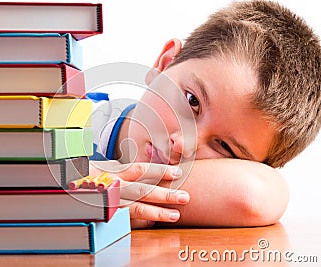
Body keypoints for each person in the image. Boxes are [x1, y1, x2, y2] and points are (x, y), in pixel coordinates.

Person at [88, 0, 321, 229]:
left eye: (224, 147)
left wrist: (111, 183)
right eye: (192, 101)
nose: (183, 145)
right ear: (165, 62)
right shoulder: (70, 121)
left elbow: (254, 194)